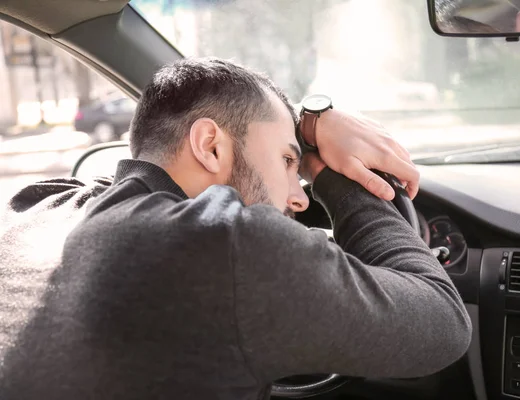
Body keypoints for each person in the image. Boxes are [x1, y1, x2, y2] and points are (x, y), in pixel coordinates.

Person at [0, 57, 472, 400]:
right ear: (210, 145)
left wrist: (304, 124)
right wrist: (333, 174)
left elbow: (133, 178)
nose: (300, 195)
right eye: (289, 162)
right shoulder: (222, 244)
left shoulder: (34, 207)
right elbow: (443, 323)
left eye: (300, 168)